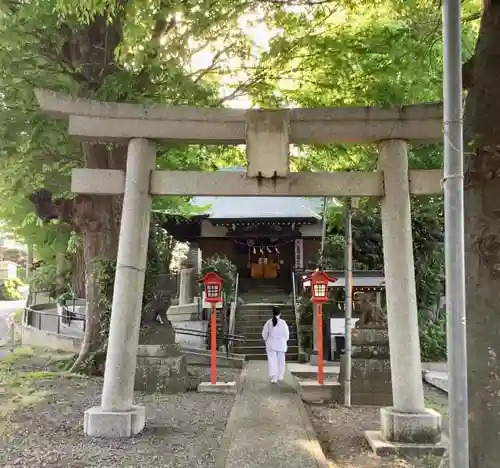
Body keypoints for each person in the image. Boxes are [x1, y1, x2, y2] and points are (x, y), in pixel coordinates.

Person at [261, 306, 290, 384]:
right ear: (280, 313)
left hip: (271, 344)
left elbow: (264, 333)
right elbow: (287, 335)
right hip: (281, 344)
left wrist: (266, 340)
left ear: (272, 313)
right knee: (281, 360)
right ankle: (280, 376)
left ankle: (274, 377)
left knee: (272, 361)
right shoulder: (283, 322)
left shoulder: (269, 322)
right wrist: (284, 340)